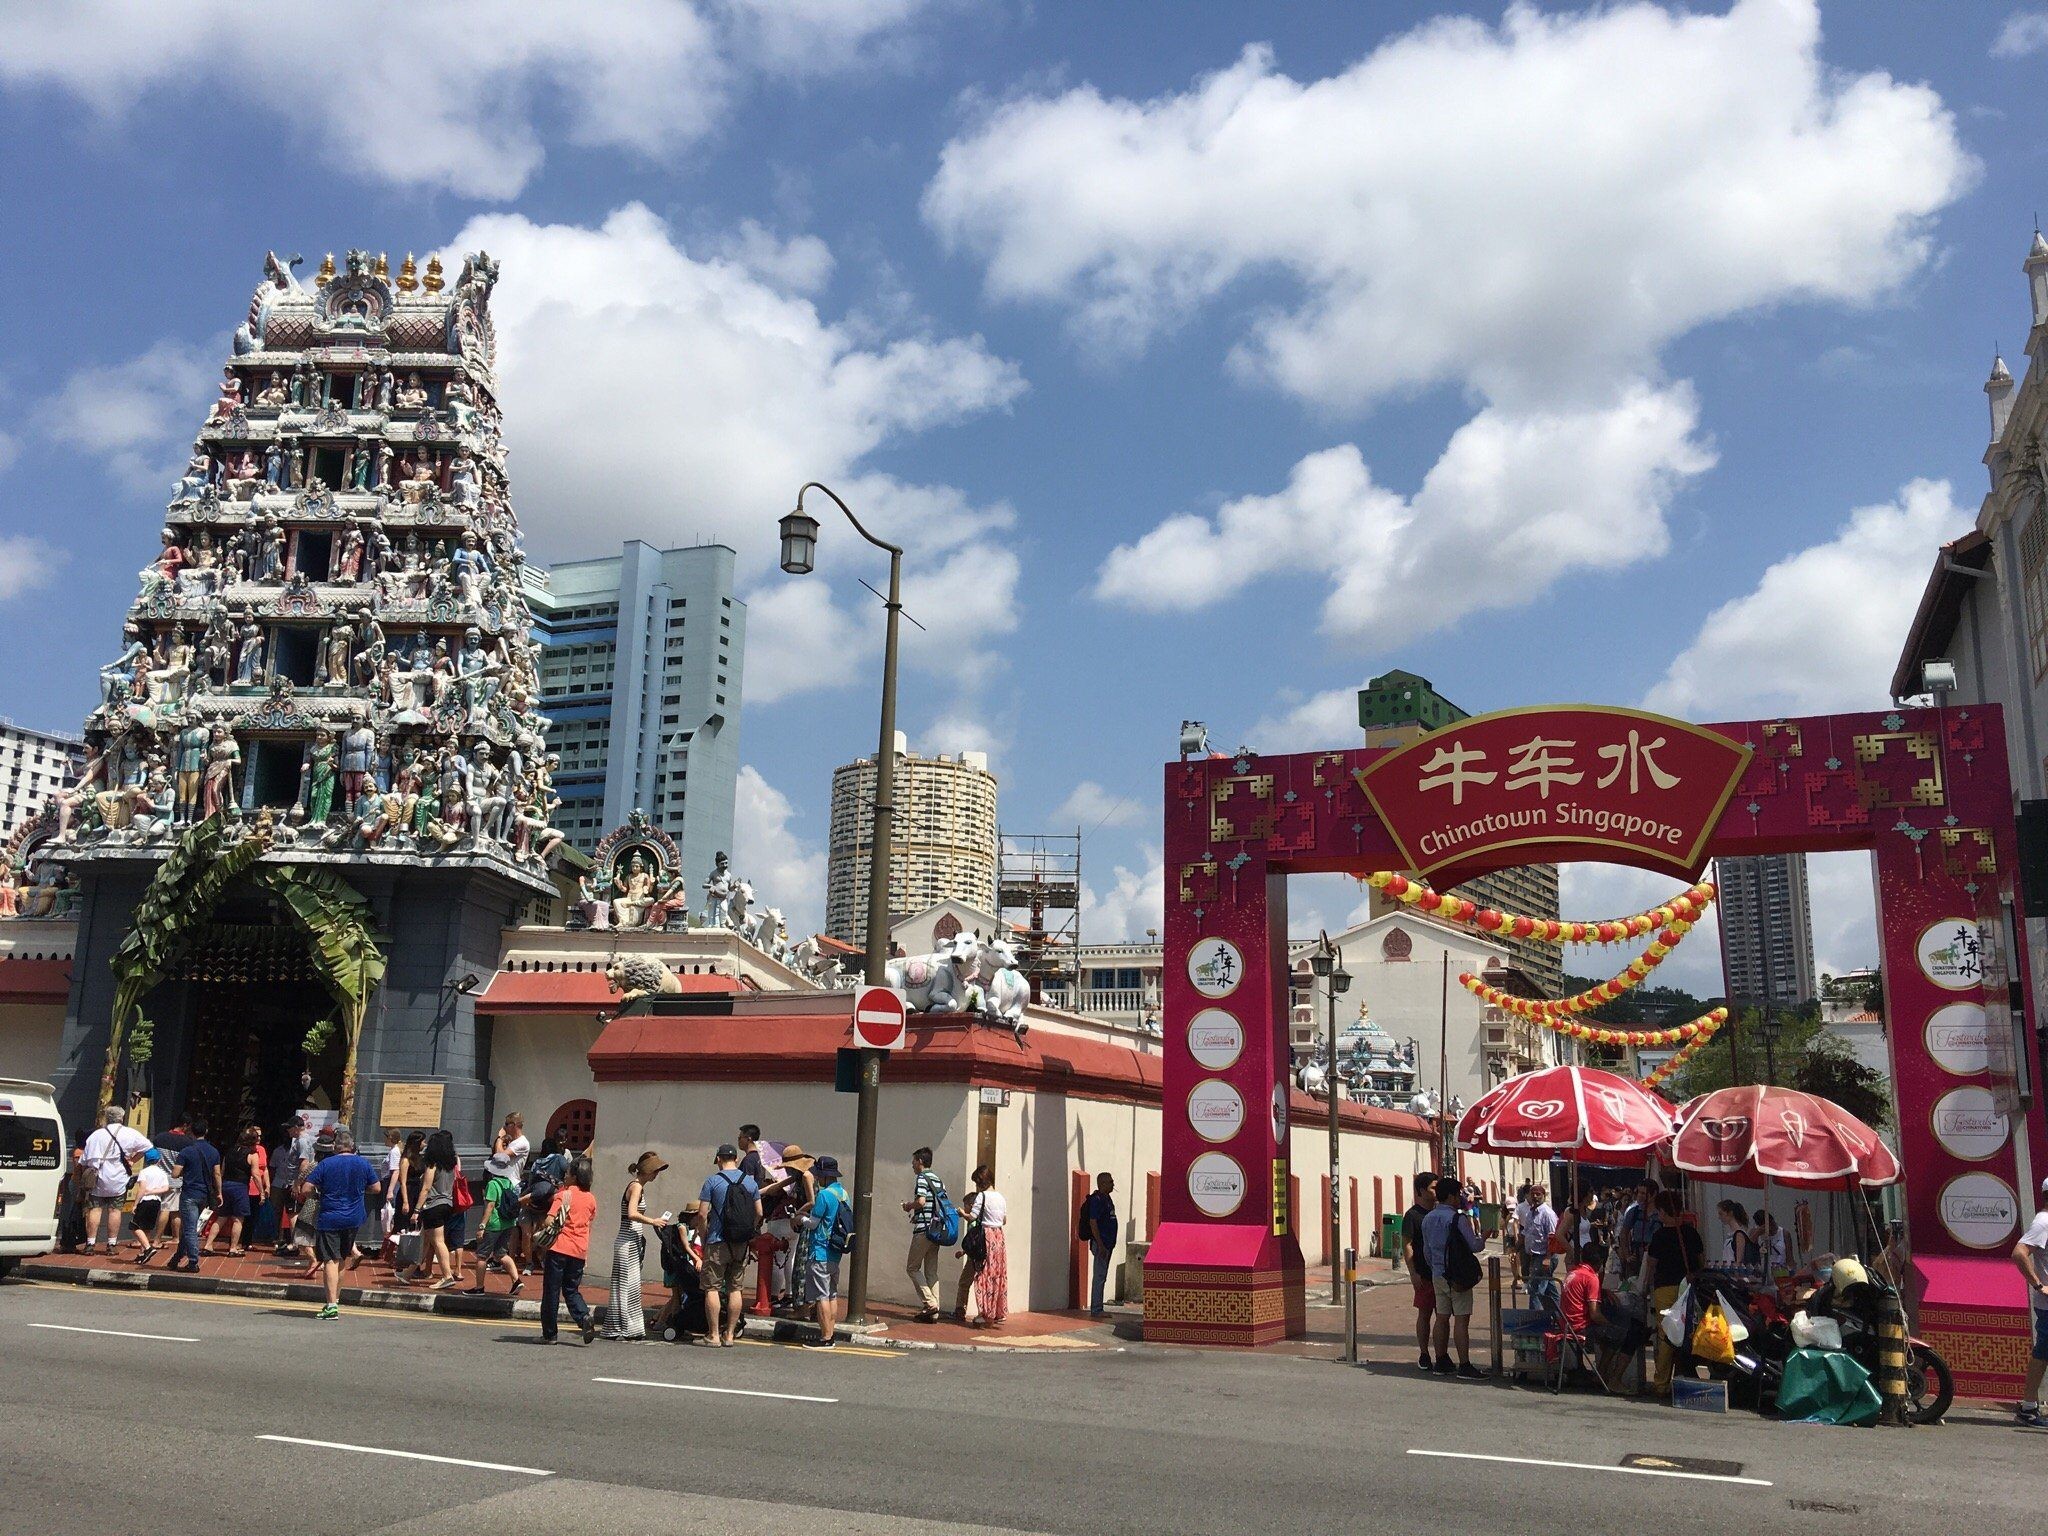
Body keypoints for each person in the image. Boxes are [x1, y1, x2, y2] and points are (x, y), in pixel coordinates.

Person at [300, 1127, 381, 1320]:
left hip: (330, 1217)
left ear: (335, 1148)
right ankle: (336, 1300)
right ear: (353, 1147)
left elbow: (306, 1189)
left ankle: (331, 1305)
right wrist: (361, 1191)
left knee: (330, 1259)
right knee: (342, 1258)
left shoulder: (327, 1164)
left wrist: (317, 1196)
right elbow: (376, 1188)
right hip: (353, 1217)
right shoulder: (363, 1163)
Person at [695, 1144, 761, 1347]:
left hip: (717, 1240)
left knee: (712, 1288)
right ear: (736, 1159)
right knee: (735, 1288)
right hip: (740, 1243)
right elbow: (759, 1212)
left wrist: (704, 1238)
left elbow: (702, 1214)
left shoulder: (712, 1181)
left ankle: (713, 1334)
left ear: (718, 1159)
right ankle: (730, 1335)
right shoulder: (750, 1183)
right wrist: (750, 1232)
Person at [1421, 1177, 1486, 1378]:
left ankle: (1440, 1359)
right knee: (1461, 1320)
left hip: (1438, 1273)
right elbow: (1475, 1246)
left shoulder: (1428, 1218)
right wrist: (1484, 1236)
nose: (1460, 1198)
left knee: (1441, 1317)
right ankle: (1464, 1364)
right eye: (1458, 1194)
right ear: (1450, 1195)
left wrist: (1435, 1268)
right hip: (1457, 1275)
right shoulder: (1458, 1219)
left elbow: (1426, 1250)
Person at [603, 1151, 669, 1341]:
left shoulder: (638, 1186)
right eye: (655, 1170)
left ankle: (623, 1327)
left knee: (627, 1286)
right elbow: (632, 1213)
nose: (656, 1174)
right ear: (648, 1170)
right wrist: (653, 1221)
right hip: (627, 1241)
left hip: (630, 1241)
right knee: (626, 1286)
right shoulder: (636, 1187)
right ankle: (623, 1328)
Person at [1647, 1190, 1704, 1395]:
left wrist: (1645, 1286)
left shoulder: (1659, 1235)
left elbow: (1651, 1265)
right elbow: (1701, 1262)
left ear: (1663, 1211)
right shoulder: (1691, 1233)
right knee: (1687, 1332)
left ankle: (1661, 1383)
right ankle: (1683, 1376)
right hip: (1687, 1290)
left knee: (1666, 1336)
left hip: (1664, 1288)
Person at [537, 1154, 598, 1345]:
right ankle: (583, 1317)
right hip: (579, 1250)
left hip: (559, 1248)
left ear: (574, 1176)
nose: (565, 1175)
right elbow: (589, 1222)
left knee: (552, 1292)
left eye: (568, 1173)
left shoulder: (564, 1195)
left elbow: (549, 1220)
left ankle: (550, 1334)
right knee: (571, 1290)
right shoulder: (590, 1199)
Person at [77, 1106, 149, 1256]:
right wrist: (132, 1160)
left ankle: (90, 1243)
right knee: (115, 1210)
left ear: (107, 1118)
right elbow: (148, 1146)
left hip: (97, 1179)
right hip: (118, 1179)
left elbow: (83, 1160)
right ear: (122, 1118)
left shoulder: (96, 1135)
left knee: (94, 1209)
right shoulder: (130, 1133)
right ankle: (111, 1244)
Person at [800, 1155, 851, 1347]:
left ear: (824, 1176)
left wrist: (801, 1218)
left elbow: (813, 1224)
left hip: (820, 1250)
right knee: (832, 1294)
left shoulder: (824, 1195)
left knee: (821, 1296)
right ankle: (831, 1333)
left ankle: (826, 1337)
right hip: (835, 1252)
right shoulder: (843, 1194)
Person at [953, 1163, 1008, 1328]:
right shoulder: (1000, 1197)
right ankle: (998, 1311)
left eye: (977, 1183)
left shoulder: (982, 1197)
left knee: (982, 1276)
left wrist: (962, 1213)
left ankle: (985, 1314)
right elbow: (1004, 1220)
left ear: (981, 1182)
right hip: (999, 1237)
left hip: (986, 1237)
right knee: (997, 1274)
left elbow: (972, 1217)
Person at [2012, 1176, 2048, 1425]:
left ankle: (2029, 1406)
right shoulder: (2043, 1222)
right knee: (2042, 1353)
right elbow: (2019, 1253)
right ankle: (2027, 1407)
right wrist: (2038, 1284)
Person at [764, 1144, 815, 1309]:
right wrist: (756, 1192)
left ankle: (779, 1296)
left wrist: (796, 1215)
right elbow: (775, 1187)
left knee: (782, 1260)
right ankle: (790, 1295)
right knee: (791, 1260)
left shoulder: (806, 1176)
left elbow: (811, 1201)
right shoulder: (798, 1175)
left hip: (804, 1219)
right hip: (798, 1220)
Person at [168, 1117, 221, 1273]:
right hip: (204, 1195)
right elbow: (217, 1174)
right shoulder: (213, 1151)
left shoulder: (186, 1151)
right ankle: (177, 1257)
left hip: (189, 1193)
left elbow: (175, 1173)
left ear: (191, 1132)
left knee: (190, 1229)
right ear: (206, 1131)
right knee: (189, 1228)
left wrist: (187, 1170)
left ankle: (193, 1262)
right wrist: (219, 1193)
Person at [902, 1146, 949, 1323]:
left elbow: (921, 1201)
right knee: (931, 1271)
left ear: (920, 1161)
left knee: (912, 1268)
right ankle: (934, 1311)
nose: (912, 1165)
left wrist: (909, 1206)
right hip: (935, 1230)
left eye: (914, 1161)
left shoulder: (921, 1178)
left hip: (923, 1230)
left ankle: (930, 1304)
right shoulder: (938, 1180)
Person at [411, 1129, 461, 1290]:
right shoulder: (451, 1165)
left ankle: (446, 1275)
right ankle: (406, 1273)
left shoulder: (432, 1165)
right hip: (447, 1203)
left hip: (433, 1205)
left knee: (438, 1242)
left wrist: (416, 1210)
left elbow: (426, 1188)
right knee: (426, 1241)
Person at [471, 1152, 525, 1297]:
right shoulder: (509, 1183)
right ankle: (516, 1280)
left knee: (482, 1256)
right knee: (501, 1253)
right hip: (508, 1223)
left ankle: (479, 1287)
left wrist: (482, 1226)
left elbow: (490, 1206)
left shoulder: (493, 1184)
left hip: (494, 1224)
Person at [1401, 1173, 1440, 1371]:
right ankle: (1424, 1353)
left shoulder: (1441, 1212)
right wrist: (1413, 1272)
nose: (1436, 1191)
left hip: (1442, 1273)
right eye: (1433, 1187)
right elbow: (1407, 1244)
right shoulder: (1413, 1215)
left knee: (1442, 1315)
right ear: (1422, 1190)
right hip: (1424, 1274)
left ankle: (1442, 1354)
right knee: (1425, 1313)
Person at [208, 1125, 259, 1256]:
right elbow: (255, 1174)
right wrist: (262, 1191)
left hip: (226, 1185)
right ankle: (233, 1248)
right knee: (238, 1219)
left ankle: (208, 1245)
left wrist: (219, 1189)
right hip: (240, 1187)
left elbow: (222, 1170)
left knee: (222, 1217)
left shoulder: (229, 1152)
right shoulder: (252, 1155)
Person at [1080, 1172, 1119, 1319]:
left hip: (1108, 1243)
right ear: (1102, 1184)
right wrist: (1100, 1244)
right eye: (1109, 1182)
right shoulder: (1097, 1200)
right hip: (1101, 1244)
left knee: (1102, 1275)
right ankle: (1096, 1309)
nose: (1112, 1184)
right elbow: (1093, 1222)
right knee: (1099, 1276)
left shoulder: (1107, 1199)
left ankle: (1098, 1307)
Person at [129, 1148, 173, 1262]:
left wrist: (135, 1204)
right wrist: (153, 1191)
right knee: (147, 1228)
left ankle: (148, 1248)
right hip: (156, 1201)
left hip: (145, 1201)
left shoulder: (144, 1172)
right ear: (159, 1160)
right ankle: (142, 1253)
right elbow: (166, 1188)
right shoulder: (162, 1173)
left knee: (134, 1226)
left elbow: (142, 1189)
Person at [1522, 1183, 1558, 1311]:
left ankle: (1535, 1321)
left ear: (1543, 1196)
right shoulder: (1530, 1214)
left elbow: (1553, 1238)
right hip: (1534, 1257)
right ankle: (1561, 1317)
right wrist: (1515, 1250)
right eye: (1533, 1194)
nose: (1535, 1197)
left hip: (1544, 1257)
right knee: (1550, 1291)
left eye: (1538, 1194)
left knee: (1535, 1290)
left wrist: (1548, 1257)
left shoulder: (1547, 1214)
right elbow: (1525, 1233)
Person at [1617, 1179, 1661, 1275]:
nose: (1639, 1196)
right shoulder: (1634, 1212)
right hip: (1636, 1257)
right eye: (1638, 1192)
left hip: (1656, 1258)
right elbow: (1623, 1233)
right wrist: (1627, 1255)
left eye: (1643, 1193)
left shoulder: (1661, 1214)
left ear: (1653, 1194)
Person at [1716, 1200, 1759, 1270]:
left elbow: (1739, 1261)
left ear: (1730, 1213)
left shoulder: (1739, 1234)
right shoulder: (1732, 1234)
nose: (1719, 1217)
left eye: (1721, 1214)